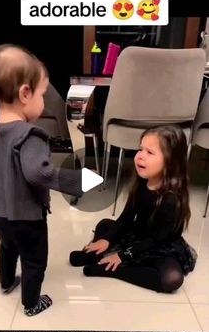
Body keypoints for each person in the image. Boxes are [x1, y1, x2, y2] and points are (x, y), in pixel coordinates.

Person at [0, 44, 82, 316]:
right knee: (34, 260)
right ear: (25, 93)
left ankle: (7, 282)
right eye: (43, 94)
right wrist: (78, 181)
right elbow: (38, 173)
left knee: (8, 247)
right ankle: (32, 303)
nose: (44, 101)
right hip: (27, 219)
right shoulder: (30, 135)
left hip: (0, 215)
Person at [69, 125, 197, 293]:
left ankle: (113, 270)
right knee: (105, 225)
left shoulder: (170, 199)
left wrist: (122, 256)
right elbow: (126, 217)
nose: (140, 156)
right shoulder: (143, 182)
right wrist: (106, 239)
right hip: (138, 234)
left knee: (172, 279)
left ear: (171, 161)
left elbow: (156, 240)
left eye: (149, 152)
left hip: (159, 245)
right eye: (140, 149)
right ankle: (95, 253)